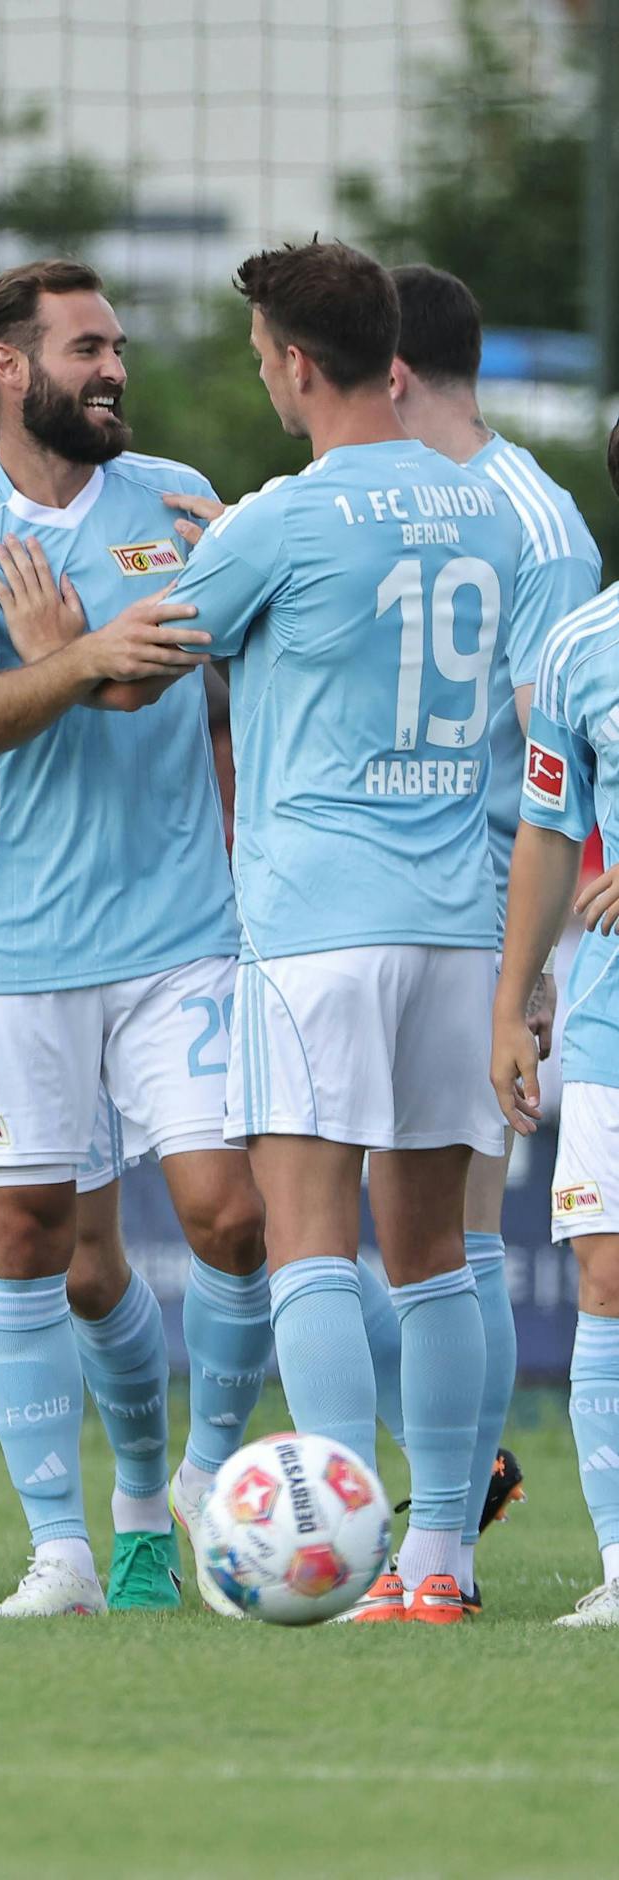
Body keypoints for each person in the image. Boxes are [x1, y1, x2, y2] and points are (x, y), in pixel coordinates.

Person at [0, 259, 272, 1620]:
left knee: (233, 1220)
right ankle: (61, 1550)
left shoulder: (179, 503)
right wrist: (90, 661)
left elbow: (193, 666)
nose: (113, 369)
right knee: (31, 1241)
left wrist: (81, 659)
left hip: (183, 934)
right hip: (11, 946)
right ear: (10, 367)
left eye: (116, 347)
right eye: (87, 348)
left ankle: (204, 1501)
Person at [161, 240, 521, 1623]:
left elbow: (156, 647)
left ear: (298, 365)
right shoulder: (484, 505)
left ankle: (339, 1547)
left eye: (262, 358)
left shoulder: (280, 519)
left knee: (314, 1240)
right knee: (433, 1255)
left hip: (316, 926)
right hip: (455, 923)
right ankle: (442, 1560)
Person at [367, 264, 597, 1608]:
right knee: (414, 1228)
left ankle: (449, 1513)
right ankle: (450, 1493)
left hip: (494, 911)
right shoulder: (425, 508)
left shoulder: (530, 523)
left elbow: (576, 738)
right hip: (420, 901)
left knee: (454, 1224)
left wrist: (546, 948)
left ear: (387, 374)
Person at [494, 419, 619, 1625]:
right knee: (605, 1280)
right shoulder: (580, 649)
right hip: (609, 1017)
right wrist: (513, 998)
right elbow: (542, 834)